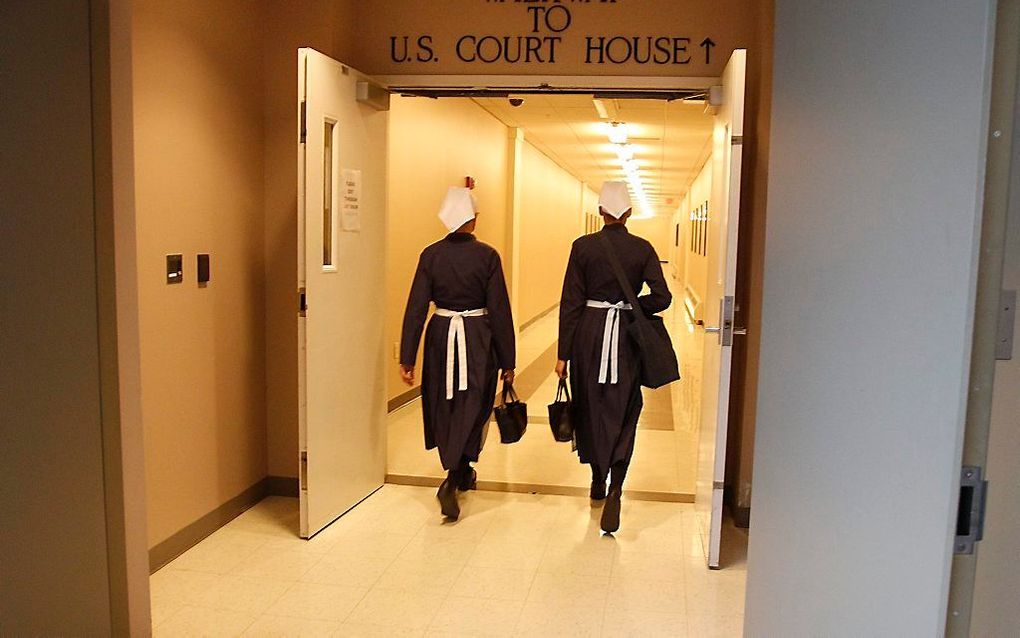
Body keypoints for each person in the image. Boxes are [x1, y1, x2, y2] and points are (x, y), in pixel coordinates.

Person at [555, 181, 672, 533]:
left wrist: (563, 354)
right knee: (624, 408)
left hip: (588, 334)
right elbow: (662, 296)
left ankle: (597, 478)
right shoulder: (643, 248)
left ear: (601, 212)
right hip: (624, 337)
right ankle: (617, 486)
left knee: (590, 404)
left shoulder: (583, 247)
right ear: (630, 213)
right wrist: (635, 307)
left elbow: (571, 302)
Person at [399, 186, 516, 520]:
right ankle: (455, 475)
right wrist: (508, 361)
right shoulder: (488, 256)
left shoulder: (430, 255)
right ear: (473, 220)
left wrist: (408, 356)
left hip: (439, 337)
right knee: (475, 401)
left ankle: (458, 469)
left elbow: (416, 307)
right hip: (478, 337)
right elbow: (500, 310)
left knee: (443, 400)